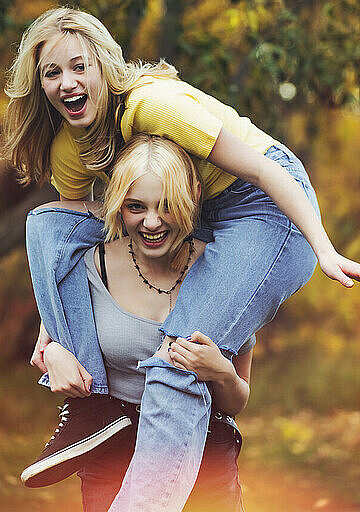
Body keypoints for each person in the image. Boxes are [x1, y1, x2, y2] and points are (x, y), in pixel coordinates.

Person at [0, 6, 360, 511]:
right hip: (188, 205)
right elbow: (63, 251)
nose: (67, 82)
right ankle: (94, 405)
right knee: (47, 225)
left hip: (266, 205)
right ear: (39, 86)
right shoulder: (69, 148)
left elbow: (260, 170)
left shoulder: (153, 105)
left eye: (79, 66)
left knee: (178, 358)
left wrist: (321, 245)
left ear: (103, 65)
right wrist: (51, 338)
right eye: (51, 73)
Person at [38, 134, 252, 511]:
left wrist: (222, 373)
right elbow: (55, 335)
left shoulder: (227, 274)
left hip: (205, 454)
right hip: (113, 452)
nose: (152, 222)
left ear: (195, 194)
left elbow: (236, 402)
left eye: (167, 205)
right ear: (118, 205)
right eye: (136, 206)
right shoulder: (90, 267)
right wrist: (54, 350)